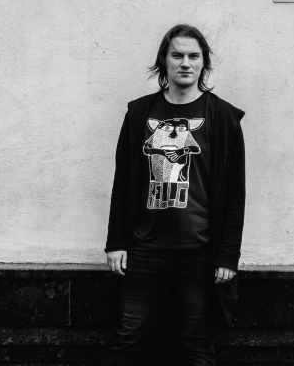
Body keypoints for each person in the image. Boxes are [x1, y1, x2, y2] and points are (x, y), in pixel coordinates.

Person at [103, 24, 246, 366]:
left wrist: (227, 255)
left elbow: (234, 193)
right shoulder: (139, 113)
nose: (185, 63)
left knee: (197, 346)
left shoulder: (223, 117)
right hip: (145, 249)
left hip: (198, 253)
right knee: (127, 340)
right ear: (164, 62)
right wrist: (116, 241)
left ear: (203, 64)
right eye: (177, 55)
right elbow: (123, 181)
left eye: (193, 56)